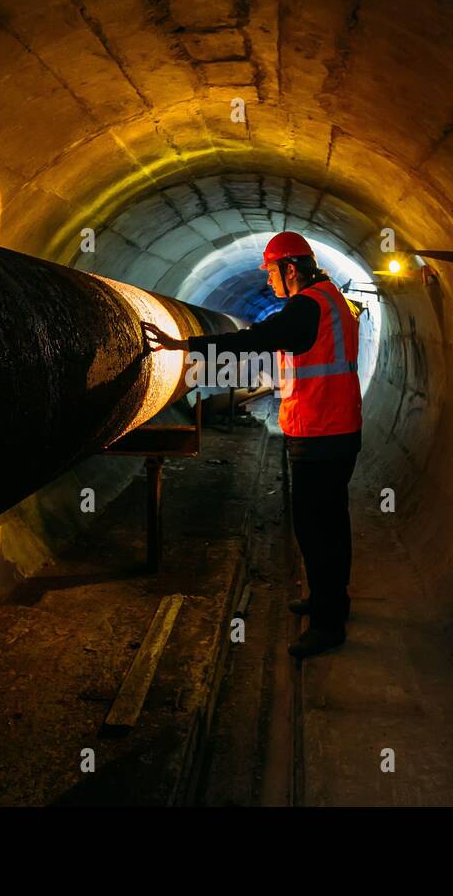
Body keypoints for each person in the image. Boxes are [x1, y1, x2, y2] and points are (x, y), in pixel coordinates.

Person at [142, 231, 362, 659]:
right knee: (332, 526)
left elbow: (253, 339)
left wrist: (184, 345)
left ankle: (327, 626)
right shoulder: (335, 299)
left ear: (291, 269)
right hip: (338, 429)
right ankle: (330, 603)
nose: (270, 283)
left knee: (316, 530)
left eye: (272, 273)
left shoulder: (306, 307)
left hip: (318, 433)